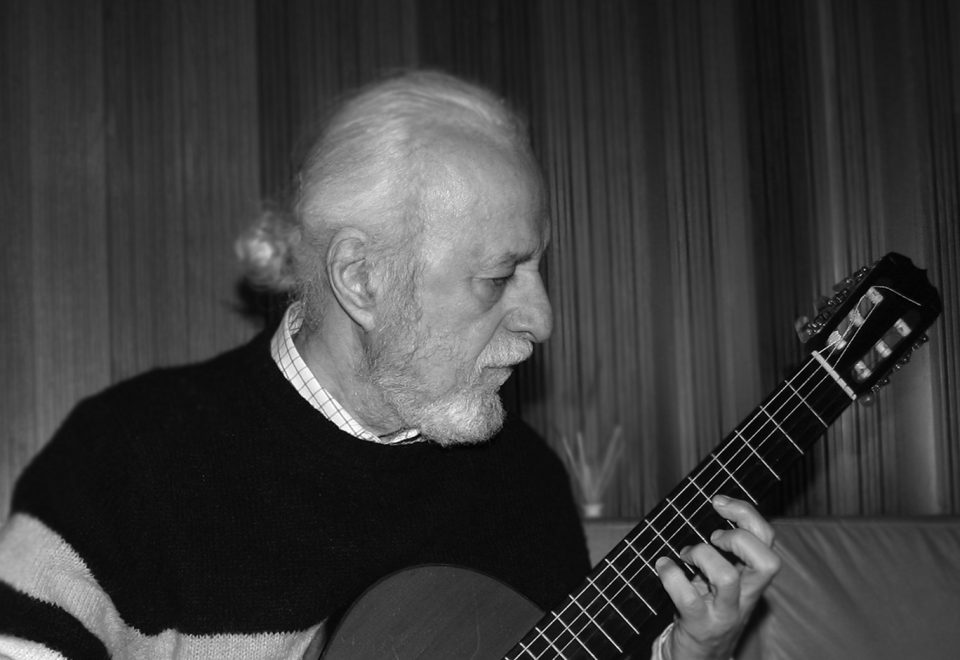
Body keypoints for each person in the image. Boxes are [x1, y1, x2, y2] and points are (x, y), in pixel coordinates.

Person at [0, 70, 778, 659]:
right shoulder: (125, 457)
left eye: (540, 269)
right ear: (362, 279)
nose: (541, 320)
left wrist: (686, 653)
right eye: (499, 276)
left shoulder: (524, 485)